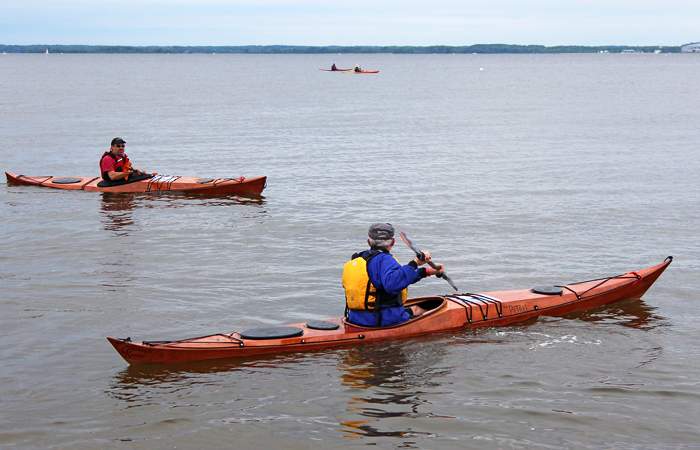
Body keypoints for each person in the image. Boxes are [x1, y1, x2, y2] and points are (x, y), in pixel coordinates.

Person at [342, 223, 445, 327]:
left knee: (412, 308)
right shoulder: (384, 260)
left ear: (368, 241)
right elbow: (393, 283)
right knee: (419, 309)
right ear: (393, 242)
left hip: (356, 319)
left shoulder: (360, 259)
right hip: (382, 320)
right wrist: (415, 263)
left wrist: (424, 272)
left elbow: (397, 277)